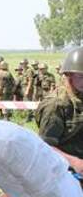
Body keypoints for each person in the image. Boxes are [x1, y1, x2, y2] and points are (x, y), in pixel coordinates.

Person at [36, 47, 83, 175]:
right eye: (81, 76)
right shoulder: (55, 105)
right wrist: (75, 162)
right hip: (65, 173)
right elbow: (45, 147)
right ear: (68, 75)